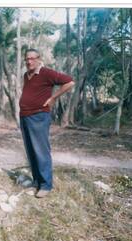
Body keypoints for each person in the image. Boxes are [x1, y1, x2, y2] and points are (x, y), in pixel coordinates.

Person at [19, 48, 75, 198]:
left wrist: (54, 97)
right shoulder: (27, 75)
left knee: (41, 151)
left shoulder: (46, 73)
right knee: (31, 151)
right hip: (25, 116)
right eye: (27, 59)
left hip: (38, 117)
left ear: (38, 59)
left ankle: (46, 185)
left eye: (32, 58)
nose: (29, 61)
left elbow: (69, 82)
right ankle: (36, 182)